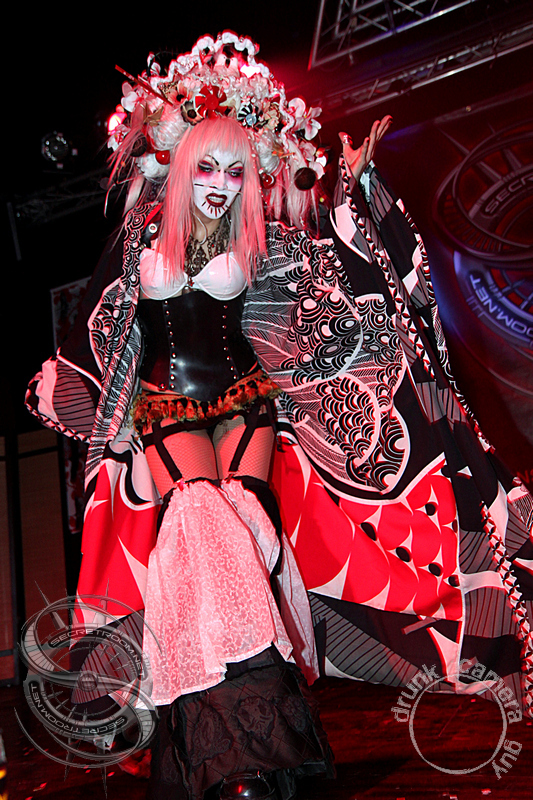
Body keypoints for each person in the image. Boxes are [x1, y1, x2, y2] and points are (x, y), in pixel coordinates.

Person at [26, 29, 533, 799]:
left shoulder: (262, 240)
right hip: (168, 409)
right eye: (207, 167)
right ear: (179, 166)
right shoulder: (139, 238)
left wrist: (356, 189)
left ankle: (263, 746)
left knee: (250, 547)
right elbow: (103, 326)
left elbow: (349, 279)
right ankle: (229, 748)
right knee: (203, 533)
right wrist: (99, 403)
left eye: (236, 170)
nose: (222, 183)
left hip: (249, 405)